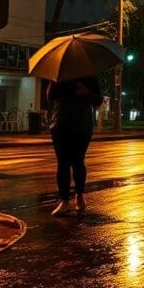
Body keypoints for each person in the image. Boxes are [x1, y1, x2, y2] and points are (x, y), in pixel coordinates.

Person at [48, 75, 103, 216]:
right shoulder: (60, 74)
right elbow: (50, 96)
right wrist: (53, 82)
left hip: (82, 124)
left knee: (78, 161)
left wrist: (87, 93)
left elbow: (98, 100)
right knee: (63, 163)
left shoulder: (89, 75)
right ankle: (64, 201)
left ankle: (80, 196)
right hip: (61, 122)